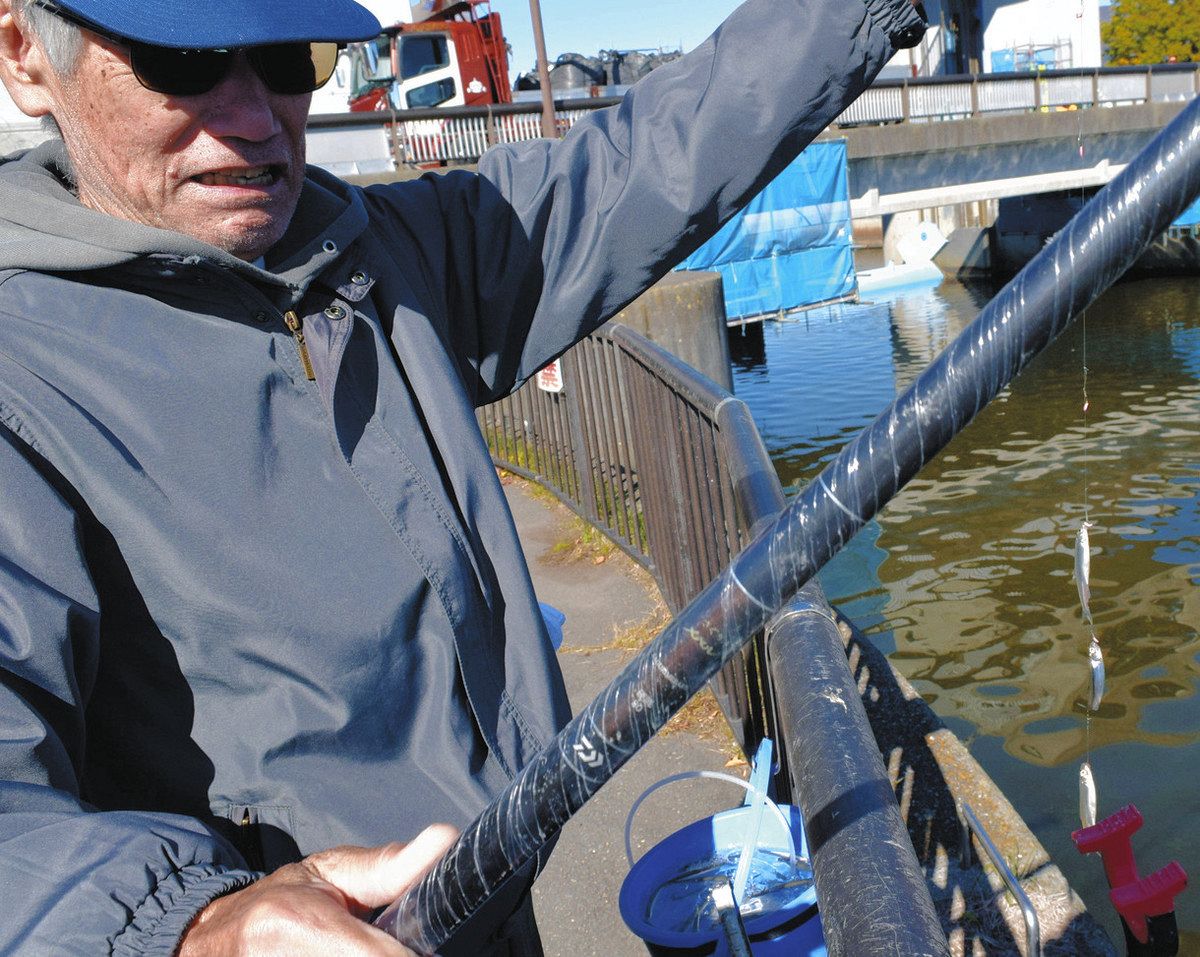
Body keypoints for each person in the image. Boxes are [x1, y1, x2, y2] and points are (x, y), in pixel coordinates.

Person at [0, 0, 925, 952]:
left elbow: (647, 159)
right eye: (180, 59)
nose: (252, 115)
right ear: (25, 54)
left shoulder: (380, 254)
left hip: (494, 901)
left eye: (285, 56)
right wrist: (193, 926)